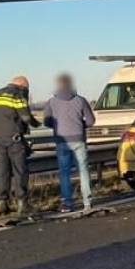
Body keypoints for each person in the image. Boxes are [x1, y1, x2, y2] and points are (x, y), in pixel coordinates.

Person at [0, 76, 41, 215]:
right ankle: (22, 202)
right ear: (23, 86)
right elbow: (26, 117)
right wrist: (36, 123)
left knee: (2, 171)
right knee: (20, 170)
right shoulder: (17, 95)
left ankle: (1, 203)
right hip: (14, 138)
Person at [44, 73, 97, 213]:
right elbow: (91, 121)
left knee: (64, 172)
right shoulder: (81, 100)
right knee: (83, 170)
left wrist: (58, 126)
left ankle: (67, 203)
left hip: (62, 140)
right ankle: (87, 201)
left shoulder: (52, 102)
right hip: (79, 139)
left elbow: (47, 121)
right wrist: (80, 124)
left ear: (58, 85)